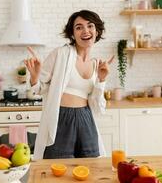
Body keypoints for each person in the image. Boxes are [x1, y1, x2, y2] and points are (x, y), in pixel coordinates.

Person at [24, 10, 114, 160]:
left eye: (90, 26)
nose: (85, 30)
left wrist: (102, 80)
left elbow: (98, 107)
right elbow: (39, 89)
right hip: (61, 118)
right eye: (79, 27)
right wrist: (34, 77)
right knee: (58, 170)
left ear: (97, 31)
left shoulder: (97, 64)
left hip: (86, 119)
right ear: (72, 34)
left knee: (90, 168)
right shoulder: (60, 54)